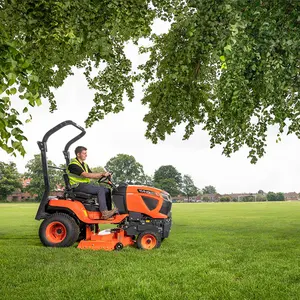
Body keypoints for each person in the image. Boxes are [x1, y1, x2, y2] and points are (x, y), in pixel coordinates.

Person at [67, 146, 117, 219]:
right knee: (100, 190)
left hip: (84, 185)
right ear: (78, 154)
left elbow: (92, 175)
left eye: (86, 153)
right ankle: (104, 213)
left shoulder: (84, 165)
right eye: (84, 153)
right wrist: (102, 174)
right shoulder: (73, 165)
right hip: (77, 186)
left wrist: (105, 176)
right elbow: (86, 175)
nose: (86, 155)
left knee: (107, 190)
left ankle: (109, 212)